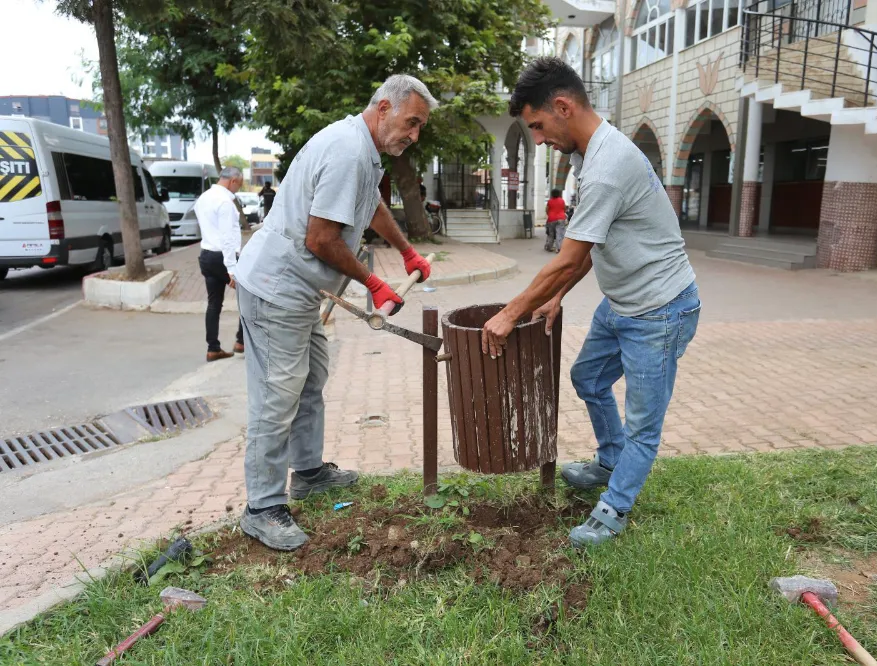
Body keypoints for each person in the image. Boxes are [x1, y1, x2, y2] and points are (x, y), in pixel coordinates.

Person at [481, 57, 701, 548]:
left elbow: (566, 258)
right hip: (622, 301)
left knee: (644, 424)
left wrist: (509, 313)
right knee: (588, 378)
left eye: (537, 126)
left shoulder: (607, 166)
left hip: (661, 309)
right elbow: (590, 244)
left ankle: (614, 508)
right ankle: (610, 460)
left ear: (563, 107)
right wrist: (557, 296)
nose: (537, 138)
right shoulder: (587, 156)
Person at [233, 75, 437, 551]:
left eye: (420, 127)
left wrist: (406, 251)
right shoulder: (348, 149)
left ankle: (308, 473)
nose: (414, 135)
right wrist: (373, 282)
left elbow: (369, 207)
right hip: (277, 288)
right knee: (277, 393)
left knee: (311, 378)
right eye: (411, 122)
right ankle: (262, 507)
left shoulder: (363, 151)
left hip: (300, 291)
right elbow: (320, 239)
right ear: (383, 107)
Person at [193, 165, 244, 363]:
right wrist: (232, 270)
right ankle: (241, 341)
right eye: (238, 185)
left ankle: (213, 348)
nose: (237, 189)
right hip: (223, 258)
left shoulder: (203, 198)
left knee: (214, 303)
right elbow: (227, 238)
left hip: (206, 255)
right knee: (249, 297)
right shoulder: (224, 203)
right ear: (232, 181)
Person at [545, 188, 566, 252]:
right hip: (561, 219)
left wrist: (549, 215)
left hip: (551, 219)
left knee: (551, 234)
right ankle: (558, 248)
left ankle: (549, 247)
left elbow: (547, 210)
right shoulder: (562, 201)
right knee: (559, 233)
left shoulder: (550, 201)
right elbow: (564, 209)